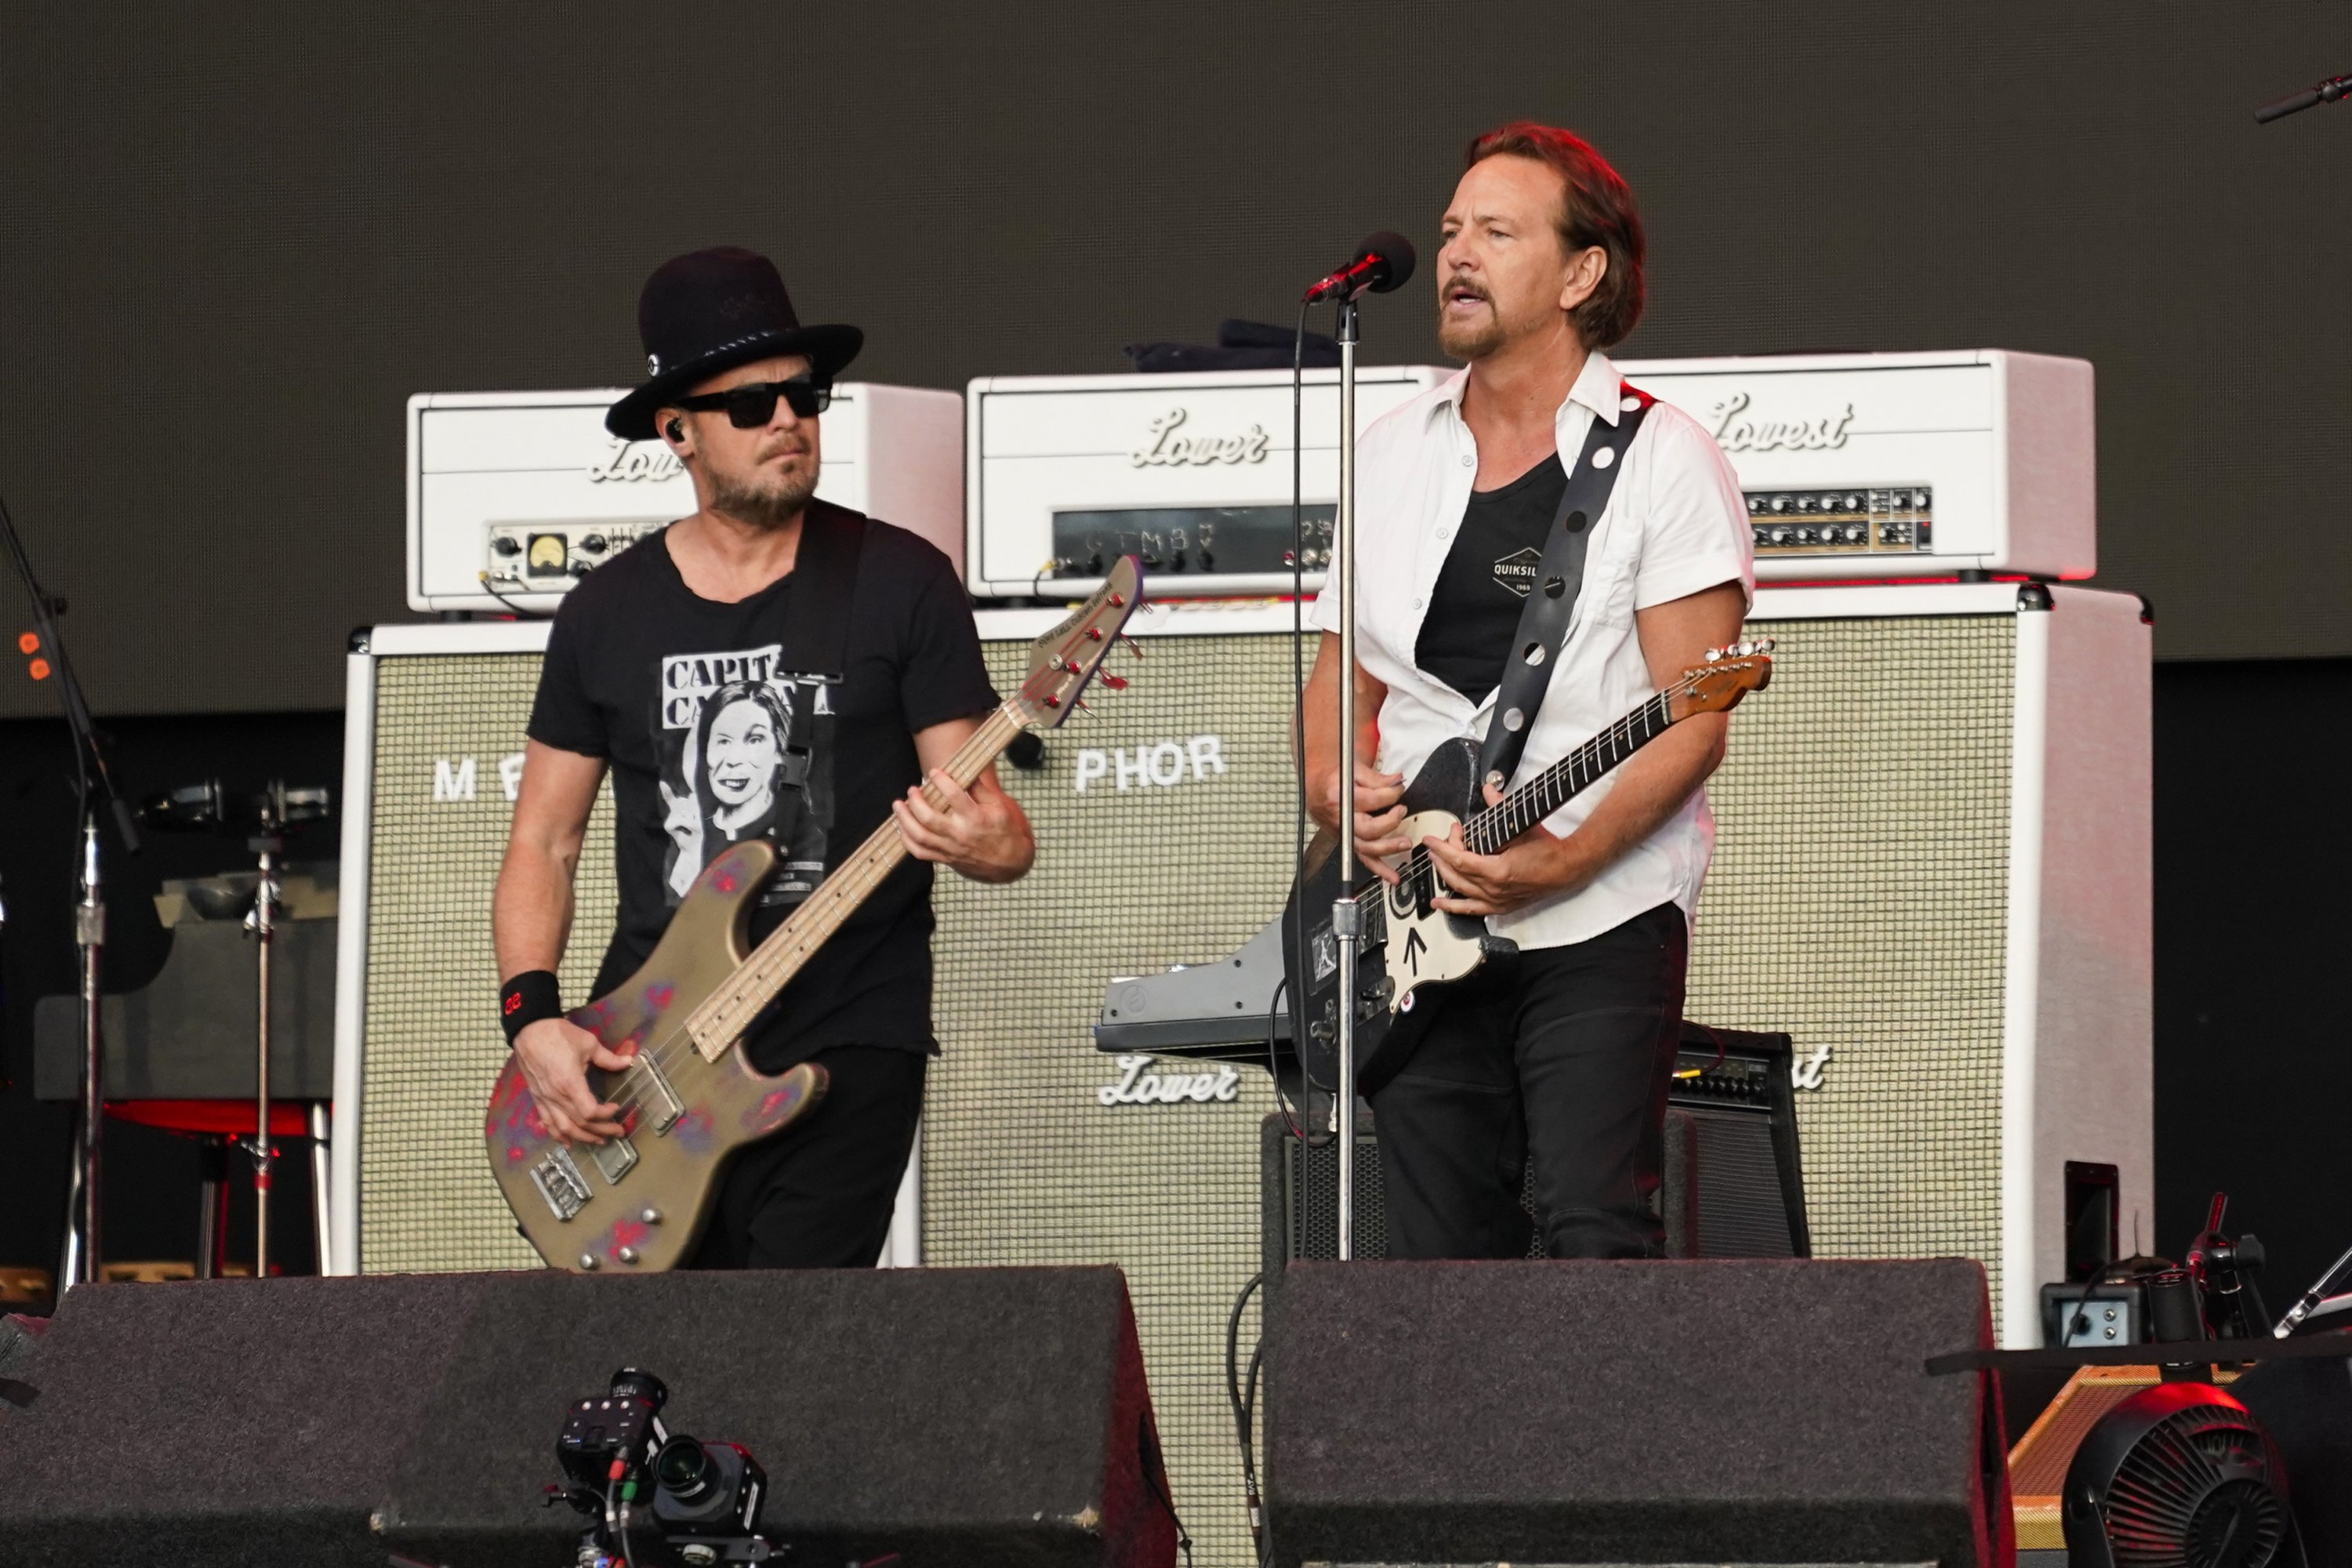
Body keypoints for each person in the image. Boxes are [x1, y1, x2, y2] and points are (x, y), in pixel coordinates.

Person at [493, 246, 1034, 1269]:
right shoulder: (605, 613)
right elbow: (544, 841)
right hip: (643, 1055)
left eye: (803, 396)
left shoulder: (900, 582)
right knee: (644, 1385)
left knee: (786, 1365)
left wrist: (981, 840)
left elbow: (1000, 834)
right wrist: (532, 1019)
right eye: (752, 406)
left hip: (844, 1042)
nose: (788, 419)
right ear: (678, 431)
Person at [1301, 122, 1753, 1261]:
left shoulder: (1662, 459)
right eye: (1453, 230)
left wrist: (1565, 857)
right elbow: (1340, 677)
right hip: (1411, 914)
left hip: (1598, 913)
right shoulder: (1388, 449)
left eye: (1497, 233)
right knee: (1441, 1258)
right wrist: (1330, 791)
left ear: (1581, 272)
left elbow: (1693, 717)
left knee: (1595, 1231)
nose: (1457, 254)